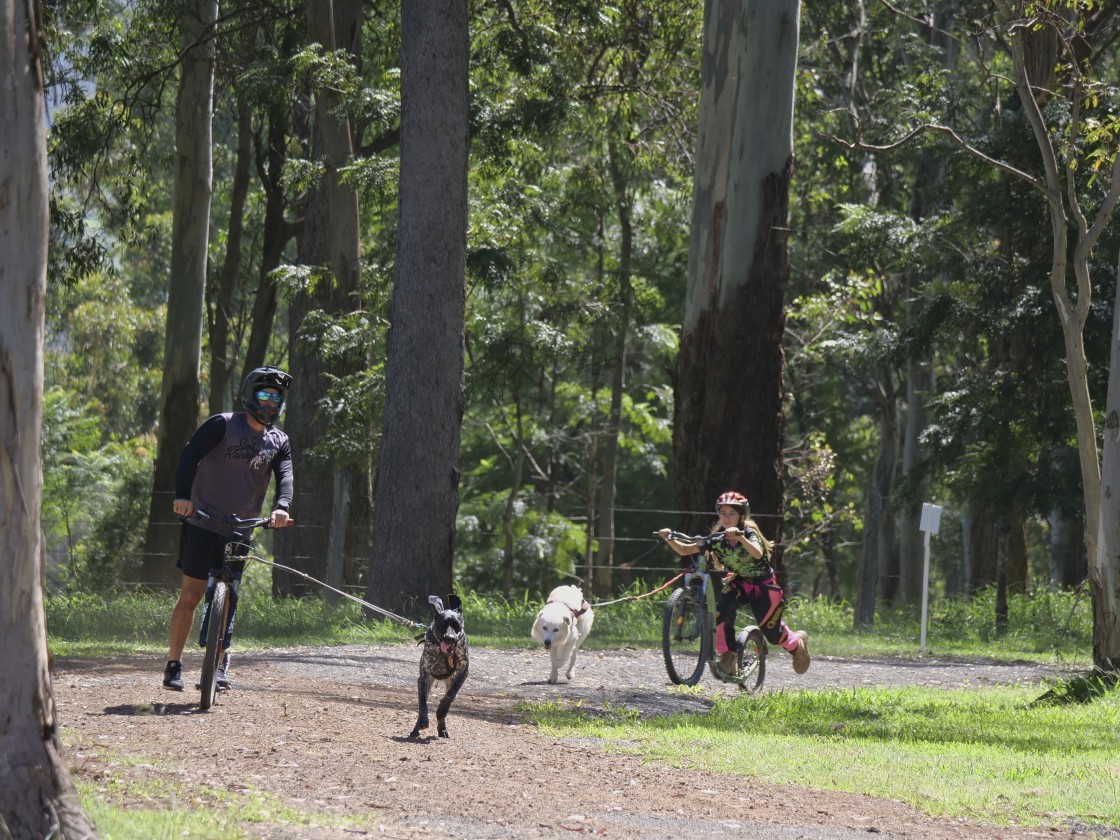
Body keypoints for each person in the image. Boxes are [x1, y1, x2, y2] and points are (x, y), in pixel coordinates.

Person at [162, 366, 295, 691]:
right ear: (251, 395)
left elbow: (286, 477)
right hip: (202, 520)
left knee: (230, 594)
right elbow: (190, 455)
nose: (270, 402)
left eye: (276, 397)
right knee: (191, 594)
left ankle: (220, 664)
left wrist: (281, 508)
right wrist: (182, 497)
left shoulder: (279, 441)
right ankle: (174, 664)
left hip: (241, 529)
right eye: (264, 395)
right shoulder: (222, 424)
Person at [658, 490, 809, 677]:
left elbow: (757, 553)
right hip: (738, 582)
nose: (726, 518)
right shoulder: (717, 538)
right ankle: (728, 655)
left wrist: (739, 537)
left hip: (763, 585)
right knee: (720, 613)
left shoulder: (748, 532)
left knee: (772, 634)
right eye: (722, 513)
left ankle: (797, 644)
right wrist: (668, 538)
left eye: (732, 514)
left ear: (742, 516)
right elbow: (684, 550)